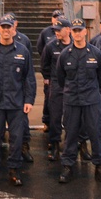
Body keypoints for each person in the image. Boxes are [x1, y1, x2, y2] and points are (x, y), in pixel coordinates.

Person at [0, 15, 36, 187]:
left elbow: (29, 78)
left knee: (17, 138)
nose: (5, 30)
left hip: (16, 103)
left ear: (13, 29)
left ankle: (14, 169)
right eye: (3, 27)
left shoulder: (22, 51)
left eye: (8, 27)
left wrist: (29, 100)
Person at [55, 19, 101, 184]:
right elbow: (60, 77)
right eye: (75, 31)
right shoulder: (65, 54)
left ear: (85, 32)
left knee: (95, 133)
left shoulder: (95, 53)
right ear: (71, 32)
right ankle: (68, 166)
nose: (77, 33)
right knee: (71, 134)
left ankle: (100, 166)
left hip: (91, 100)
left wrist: (91, 91)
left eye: (80, 30)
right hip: (72, 100)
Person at [40, 17, 72, 160]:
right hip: (57, 85)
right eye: (55, 30)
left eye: (59, 30)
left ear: (68, 30)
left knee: (73, 117)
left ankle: (73, 143)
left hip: (72, 85)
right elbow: (44, 64)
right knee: (55, 116)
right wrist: (49, 78)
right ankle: (54, 144)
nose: (57, 33)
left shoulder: (76, 45)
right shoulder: (51, 46)